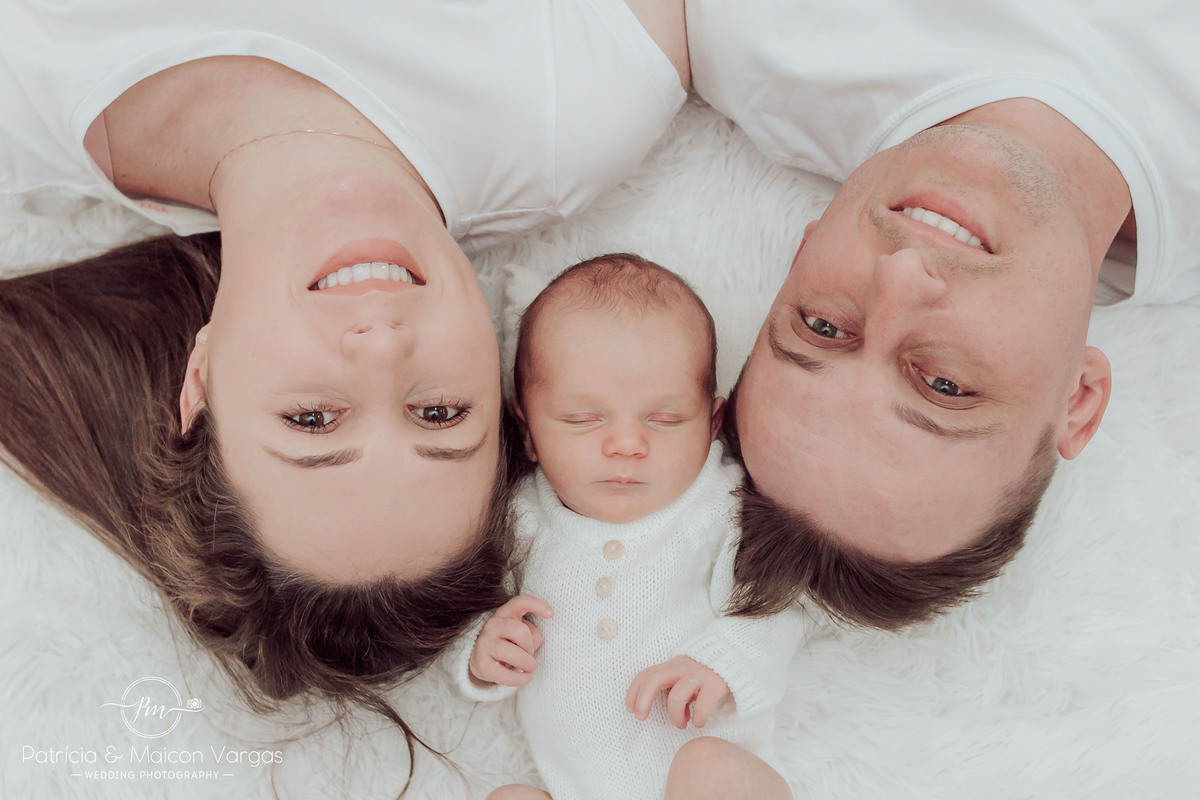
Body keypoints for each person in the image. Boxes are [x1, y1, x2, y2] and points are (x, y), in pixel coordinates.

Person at [0, 0, 689, 761]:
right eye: (439, 412)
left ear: (199, 382)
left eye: (312, 420)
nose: (383, 346)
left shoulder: (20, 102)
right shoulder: (574, 105)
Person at [681, 0, 1200, 629]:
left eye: (824, 327)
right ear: (1079, 401)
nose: (900, 275)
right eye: (945, 385)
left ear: (802, 258)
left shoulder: (757, 41)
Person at [453, 255, 802, 800]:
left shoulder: (723, 504)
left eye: (665, 420)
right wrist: (483, 649)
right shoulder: (517, 518)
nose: (626, 445)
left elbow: (783, 603)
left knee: (709, 768)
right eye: (583, 419)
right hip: (578, 788)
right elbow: (464, 603)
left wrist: (721, 662)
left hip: (703, 771)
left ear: (712, 424)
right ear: (527, 432)